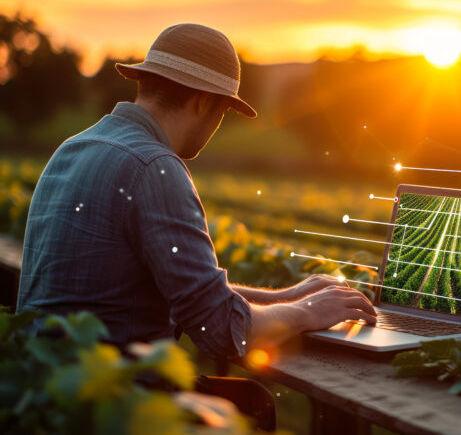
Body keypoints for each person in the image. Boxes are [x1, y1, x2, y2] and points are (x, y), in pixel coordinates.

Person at [15, 23, 376, 429]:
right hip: (109, 408)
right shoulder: (156, 167)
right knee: (249, 408)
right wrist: (308, 312)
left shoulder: (74, 147)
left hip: (44, 394)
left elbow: (176, 294)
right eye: (223, 112)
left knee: (250, 400)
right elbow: (218, 328)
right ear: (204, 102)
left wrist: (287, 297)